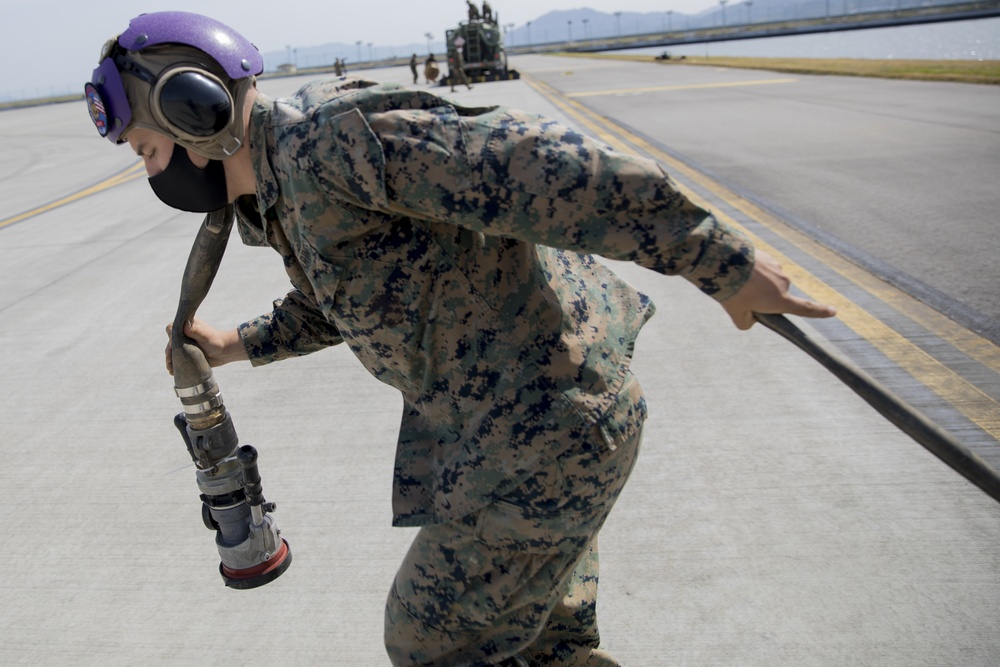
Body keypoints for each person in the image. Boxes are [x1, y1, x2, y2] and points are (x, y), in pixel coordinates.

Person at [85, 11, 835, 667]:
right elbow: (335, 301)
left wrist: (721, 261)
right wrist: (233, 344)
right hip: (530, 430)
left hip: (547, 429)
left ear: (196, 112)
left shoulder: (331, 147)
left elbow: (539, 168)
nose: (152, 173)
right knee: (545, 647)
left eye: (148, 150)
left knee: (429, 639)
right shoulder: (290, 193)